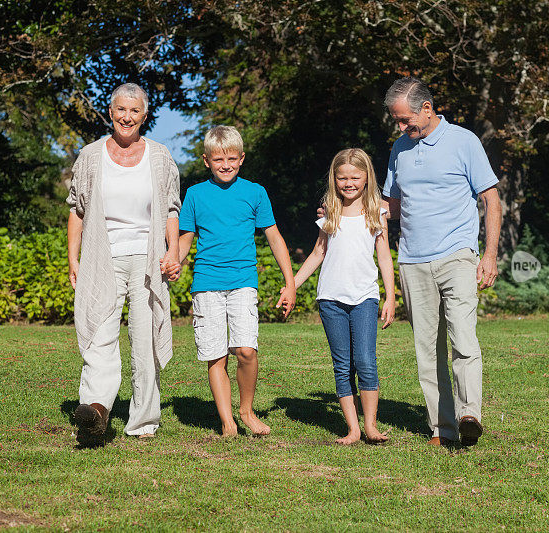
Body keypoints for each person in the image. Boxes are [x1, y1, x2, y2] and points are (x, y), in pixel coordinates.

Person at [383, 77, 502, 447]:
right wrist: (346, 210)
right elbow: (393, 207)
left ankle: (470, 414)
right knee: (426, 350)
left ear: (428, 108)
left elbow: (491, 199)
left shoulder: (464, 141)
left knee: (463, 337)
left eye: (405, 120)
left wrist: (490, 254)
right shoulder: (399, 150)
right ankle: (443, 429)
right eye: (396, 121)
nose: (401, 128)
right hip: (412, 261)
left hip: (457, 255)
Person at [66, 82, 182, 445]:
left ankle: (143, 421)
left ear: (144, 116)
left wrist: (173, 251)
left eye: (134, 111)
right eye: (120, 109)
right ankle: (96, 409)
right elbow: (77, 210)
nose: (126, 116)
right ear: (110, 112)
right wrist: (73, 257)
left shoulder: (160, 156)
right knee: (100, 330)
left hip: (147, 258)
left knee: (145, 339)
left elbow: (171, 209)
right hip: (103, 256)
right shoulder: (90, 155)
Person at [171, 125, 296, 437]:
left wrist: (290, 282)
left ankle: (247, 411)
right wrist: (175, 260)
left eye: (230, 158)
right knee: (216, 354)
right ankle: (227, 423)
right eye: (217, 159)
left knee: (246, 351)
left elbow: (275, 238)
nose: (224, 165)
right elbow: (186, 239)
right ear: (206, 161)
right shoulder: (195, 195)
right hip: (206, 283)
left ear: (241, 159)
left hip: (243, 281)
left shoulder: (255, 192)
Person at [293, 148, 395, 445]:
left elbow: (385, 257)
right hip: (331, 299)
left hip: (365, 297)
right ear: (334, 179)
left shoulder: (378, 212)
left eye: (355, 177)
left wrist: (390, 297)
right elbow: (317, 254)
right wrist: (292, 286)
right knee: (342, 364)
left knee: (365, 360)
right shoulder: (330, 212)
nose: (348, 183)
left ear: (366, 178)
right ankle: (352, 429)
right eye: (342, 178)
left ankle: (371, 426)